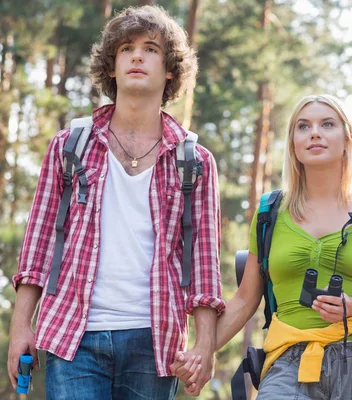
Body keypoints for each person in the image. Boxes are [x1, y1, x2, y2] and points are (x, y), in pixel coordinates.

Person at [7, 5, 223, 399]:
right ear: (111, 65)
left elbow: (204, 266)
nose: (137, 56)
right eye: (126, 48)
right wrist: (21, 326)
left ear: (171, 68)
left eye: (151, 48)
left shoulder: (196, 162)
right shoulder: (69, 146)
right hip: (72, 336)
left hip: (154, 341)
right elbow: (36, 249)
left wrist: (205, 345)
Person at [172, 94, 352, 399]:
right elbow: (244, 300)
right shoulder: (269, 214)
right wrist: (201, 351)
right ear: (293, 143)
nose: (315, 132)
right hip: (287, 361)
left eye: (327, 124)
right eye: (303, 127)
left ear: (346, 139)